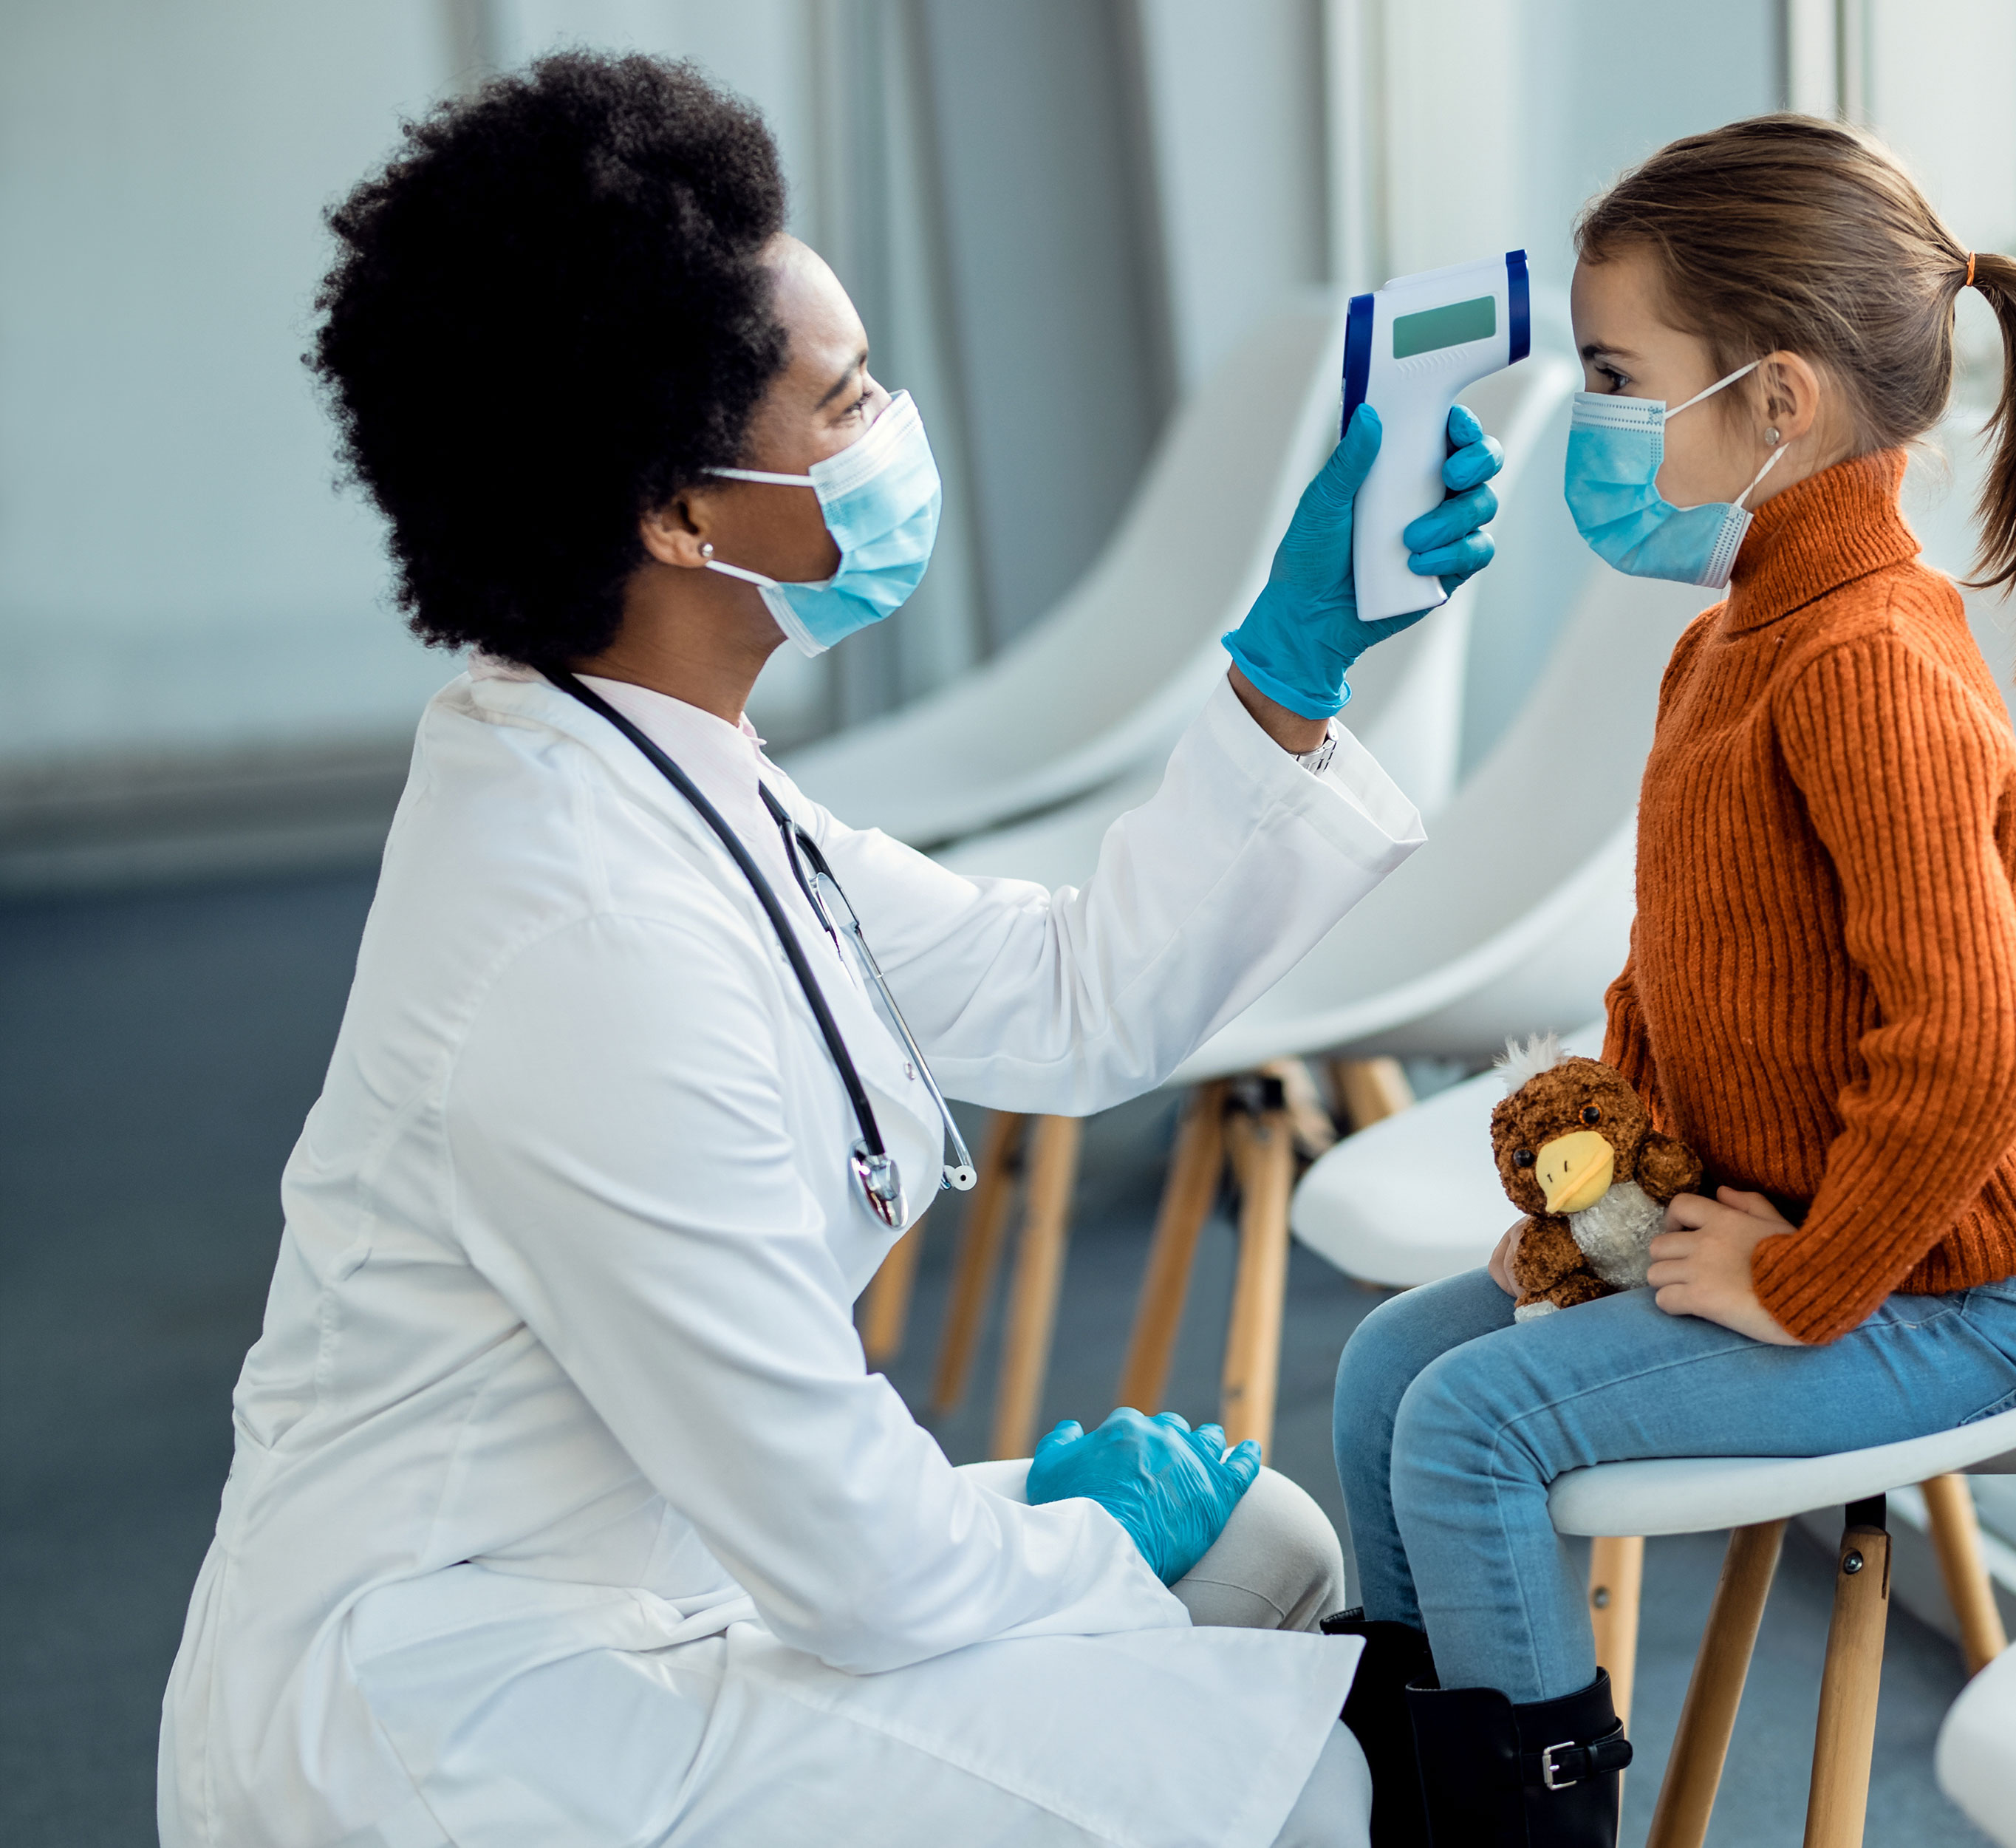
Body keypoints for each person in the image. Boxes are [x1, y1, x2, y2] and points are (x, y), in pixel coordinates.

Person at [155, 54, 1497, 1848]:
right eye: (845, 403)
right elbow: (857, 1561)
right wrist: (1096, 1533)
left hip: (667, 1565)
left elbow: (1066, 997)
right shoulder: (584, 935)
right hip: (466, 1711)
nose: (894, 436)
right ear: (679, 513)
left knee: (1265, 1565)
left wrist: (1293, 664)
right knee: (1319, 1783)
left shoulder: (654, 763)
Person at [1330, 116, 2016, 1847]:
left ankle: (1519, 1826)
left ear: (1774, 403)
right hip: (1810, 1232)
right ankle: (1409, 1793)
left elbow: (1975, 1052)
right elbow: (1681, 989)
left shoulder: (1864, 660)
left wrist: (1805, 1278)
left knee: (1475, 1426)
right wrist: (1603, 1215)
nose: (1590, 420)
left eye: (1621, 374)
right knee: (1392, 1369)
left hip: (1964, 1286)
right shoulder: (1726, 638)